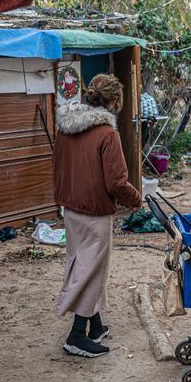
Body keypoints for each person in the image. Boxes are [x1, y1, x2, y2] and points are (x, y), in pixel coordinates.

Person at [52, 74, 142, 358]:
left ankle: (96, 326)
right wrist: (136, 199)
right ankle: (76, 335)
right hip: (95, 210)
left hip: (71, 208)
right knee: (92, 270)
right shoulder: (107, 134)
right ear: (114, 101)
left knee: (82, 264)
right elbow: (116, 181)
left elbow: (58, 166)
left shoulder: (66, 127)